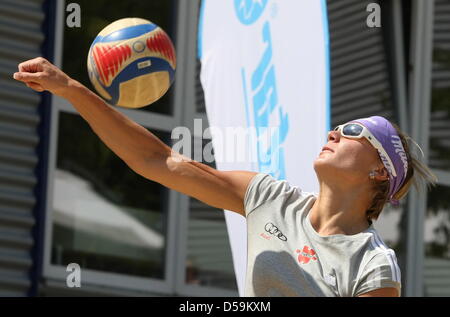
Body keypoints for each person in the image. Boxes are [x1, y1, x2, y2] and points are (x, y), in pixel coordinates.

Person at [13, 57, 437, 297]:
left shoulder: (374, 266)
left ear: (379, 171)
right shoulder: (271, 197)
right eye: (337, 126)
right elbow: (155, 160)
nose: (334, 132)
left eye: (352, 132)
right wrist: (70, 88)